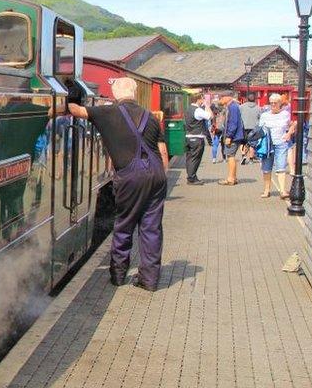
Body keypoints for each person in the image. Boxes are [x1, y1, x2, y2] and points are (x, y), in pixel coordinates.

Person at [66, 77, 169, 292]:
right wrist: (161, 178)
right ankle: (149, 280)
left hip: (130, 176)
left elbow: (76, 110)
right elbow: (163, 151)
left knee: (124, 225)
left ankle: (118, 275)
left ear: (115, 93)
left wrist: (66, 96)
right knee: (151, 229)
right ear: (134, 92)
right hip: (157, 175)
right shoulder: (150, 117)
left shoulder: (108, 112)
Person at [259, 93, 297, 198]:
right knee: (266, 168)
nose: (273, 105)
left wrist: (289, 133)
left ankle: (282, 191)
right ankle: (266, 190)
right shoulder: (264, 115)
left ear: (280, 103)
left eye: (275, 103)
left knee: (281, 167)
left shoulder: (285, 114)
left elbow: (293, 123)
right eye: (271, 103)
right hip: (267, 145)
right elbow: (260, 129)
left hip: (281, 143)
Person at [218, 91, 245, 185]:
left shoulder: (232, 107)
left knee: (230, 157)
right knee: (231, 156)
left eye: (221, 97)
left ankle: (230, 179)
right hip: (235, 136)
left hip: (233, 137)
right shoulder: (232, 106)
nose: (220, 100)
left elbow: (233, 123)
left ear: (227, 97)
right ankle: (234, 177)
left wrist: (229, 136)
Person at [185, 92, 212, 184]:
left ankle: (190, 176)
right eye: (202, 99)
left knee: (189, 158)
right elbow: (210, 116)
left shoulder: (188, 109)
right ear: (198, 99)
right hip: (197, 137)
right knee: (195, 158)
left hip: (188, 137)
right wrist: (207, 106)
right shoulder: (198, 110)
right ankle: (192, 178)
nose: (203, 100)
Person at [239, 92, 261, 164]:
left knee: (242, 143)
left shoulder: (241, 107)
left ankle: (243, 155)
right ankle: (251, 159)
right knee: (252, 144)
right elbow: (260, 118)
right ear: (254, 99)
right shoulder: (258, 108)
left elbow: (238, 117)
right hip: (254, 129)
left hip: (243, 128)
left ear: (246, 98)